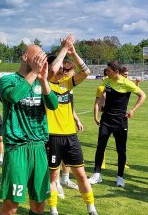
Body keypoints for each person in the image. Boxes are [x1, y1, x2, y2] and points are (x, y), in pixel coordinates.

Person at [0, 44, 58, 215]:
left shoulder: (41, 82)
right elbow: (14, 97)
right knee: (12, 204)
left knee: (39, 203)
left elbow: (53, 105)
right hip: (17, 147)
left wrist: (44, 80)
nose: (41, 60)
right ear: (25, 57)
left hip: (39, 146)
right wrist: (34, 73)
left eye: (43, 56)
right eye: (37, 56)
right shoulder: (7, 80)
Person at [45, 35, 98, 215]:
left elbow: (86, 72)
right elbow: (51, 71)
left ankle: (91, 208)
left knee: (81, 174)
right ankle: (53, 210)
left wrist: (73, 52)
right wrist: (63, 50)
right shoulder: (44, 84)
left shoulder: (67, 83)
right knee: (53, 176)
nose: (62, 70)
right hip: (52, 136)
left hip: (70, 136)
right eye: (60, 67)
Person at [89, 61, 146, 187]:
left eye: (109, 70)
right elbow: (101, 93)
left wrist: (133, 110)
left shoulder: (127, 83)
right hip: (106, 120)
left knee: (121, 150)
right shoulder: (107, 81)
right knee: (100, 146)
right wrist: (99, 105)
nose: (106, 72)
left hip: (120, 121)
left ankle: (120, 177)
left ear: (116, 72)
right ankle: (97, 174)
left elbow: (142, 95)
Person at [54, 59, 80, 200]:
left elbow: (69, 106)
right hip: (56, 128)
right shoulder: (56, 85)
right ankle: (56, 182)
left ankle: (65, 179)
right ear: (65, 71)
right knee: (56, 158)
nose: (74, 73)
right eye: (72, 71)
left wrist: (76, 119)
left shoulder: (70, 87)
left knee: (67, 156)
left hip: (68, 126)